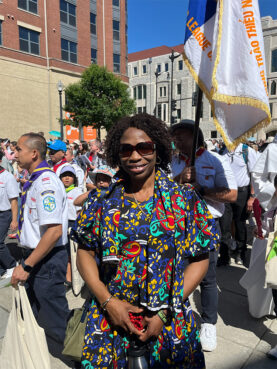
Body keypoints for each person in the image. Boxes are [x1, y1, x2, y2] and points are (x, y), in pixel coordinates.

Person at [72, 113, 219, 368]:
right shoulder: (100, 200)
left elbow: (200, 260)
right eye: (126, 149)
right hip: (110, 319)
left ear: (157, 149)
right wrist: (109, 303)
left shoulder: (184, 200)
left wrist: (165, 311)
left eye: (144, 147)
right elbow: (84, 253)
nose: (135, 156)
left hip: (169, 320)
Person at [170, 120, 237, 352]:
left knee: (207, 278)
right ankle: (182, 316)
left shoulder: (215, 160)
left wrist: (203, 189)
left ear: (196, 136)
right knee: (178, 273)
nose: (177, 139)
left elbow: (232, 194)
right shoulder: (174, 161)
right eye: (175, 136)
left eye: (182, 135)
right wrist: (179, 180)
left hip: (205, 224)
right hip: (178, 224)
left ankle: (208, 323)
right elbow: (164, 189)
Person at [11, 133, 69, 344]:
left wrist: (26, 266)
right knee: (37, 316)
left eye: (18, 149)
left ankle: (81, 360)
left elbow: (54, 232)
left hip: (47, 259)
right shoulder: (34, 180)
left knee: (55, 320)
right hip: (35, 256)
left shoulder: (46, 184)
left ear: (34, 153)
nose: (14, 154)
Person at [219, 142, 258, 265]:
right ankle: (224, 255)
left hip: (242, 192)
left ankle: (241, 253)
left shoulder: (246, 151)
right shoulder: (222, 151)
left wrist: (252, 197)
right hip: (225, 192)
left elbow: (255, 174)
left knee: (240, 224)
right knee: (224, 225)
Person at [59, 165, 83, 287]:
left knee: (70, 252)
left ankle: (69, 279)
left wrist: (77, 227)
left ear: (74, 178)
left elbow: (79, 212)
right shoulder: (59, 190)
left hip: (72, 224)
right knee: (62, 250)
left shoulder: (77, 191)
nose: (67, 178)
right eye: (64, 176)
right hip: (61, 223)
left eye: (70, 176)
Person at [0, 151, 19, 277]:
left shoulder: (8, 177)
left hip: (4, 214)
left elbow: (14, 200)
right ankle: (1, 270)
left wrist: (14, 219)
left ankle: (12, 265)